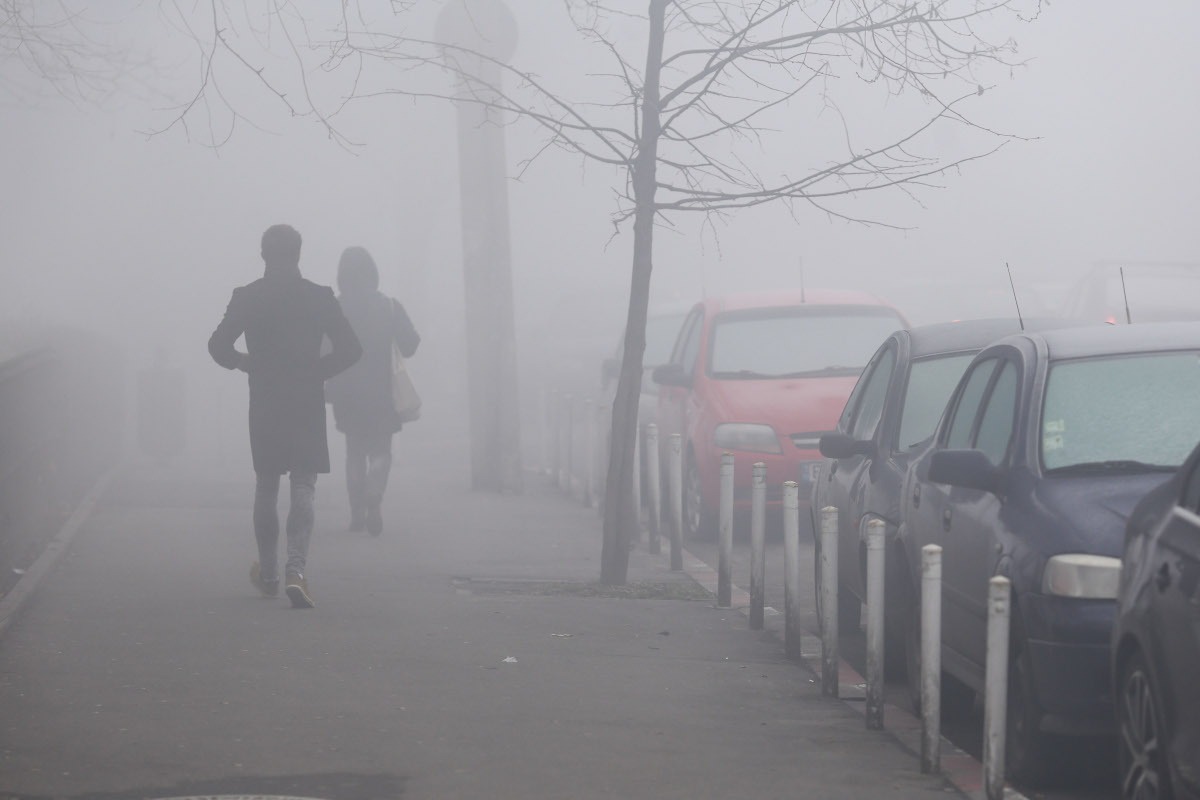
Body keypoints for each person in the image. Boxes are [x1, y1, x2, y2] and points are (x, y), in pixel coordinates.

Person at [208, 224, 362, 608]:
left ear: (263, 255)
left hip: (265, 399)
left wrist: (245, 362)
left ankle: (269, 575)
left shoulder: (248, 297)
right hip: (305, 399)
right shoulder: (319, 297)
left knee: (266, 484)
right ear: (298, 254)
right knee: (304, 484)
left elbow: (217, 345)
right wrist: (318, 371)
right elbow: (351, 348)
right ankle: (296, 571)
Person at [325, 246, 420, 536]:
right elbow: (410, 345)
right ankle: (374, 492)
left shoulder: (334, 308)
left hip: (346, 392)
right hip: (381, 391)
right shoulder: (389, 307)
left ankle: (357, 513)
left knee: (354, 450)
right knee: (381, 449)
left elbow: (320, 351)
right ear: (373, 274)